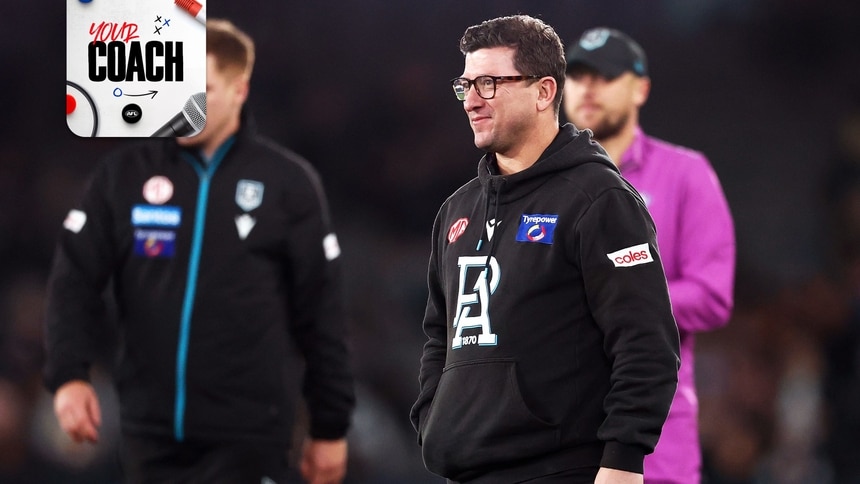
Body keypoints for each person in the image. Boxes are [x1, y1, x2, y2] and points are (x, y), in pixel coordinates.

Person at [43, 18, 355, 484]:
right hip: (148, 433)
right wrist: (69, 374)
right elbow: (74, 280)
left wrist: (330, 426)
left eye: (202, 90)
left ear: (239, 90)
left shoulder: (288, 183)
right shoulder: (123, 175)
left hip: (249, 436)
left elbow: (321, 311)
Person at [410, 15, 680, 484]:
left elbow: (646, 342)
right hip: (466, 474)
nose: (472, 100)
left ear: (544, 91)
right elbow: (439, 338)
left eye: (490, 83)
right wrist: (436, 423)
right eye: (466, 85)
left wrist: (623, 461)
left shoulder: (598, 199)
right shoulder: (457, 211)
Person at [562, 27, 736, 484]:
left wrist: (613, 298)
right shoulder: (537, 185)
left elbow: (712, 296)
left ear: (641, 88)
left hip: (653, 443)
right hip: (550, 440)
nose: (588, 87)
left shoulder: (686, 174)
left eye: (606, 75)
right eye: (577, 75)